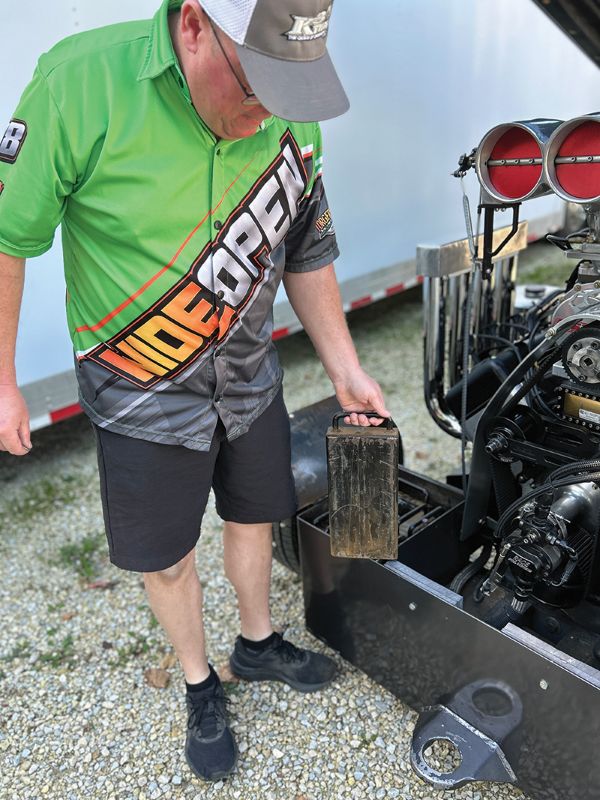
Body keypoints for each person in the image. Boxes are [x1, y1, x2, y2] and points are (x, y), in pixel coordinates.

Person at [0, 0, 390, 782]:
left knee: (256, 514)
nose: (267, 119)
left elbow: (306, 246)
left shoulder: (288, 111)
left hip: (248, 376)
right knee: (168, 555)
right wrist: (2, 379)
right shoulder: (78, 86)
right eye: (255, 92)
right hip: (141, 388)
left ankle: (255, 642)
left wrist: (346, 367)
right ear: (193, 27)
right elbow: (9, 238)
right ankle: (198, 681)